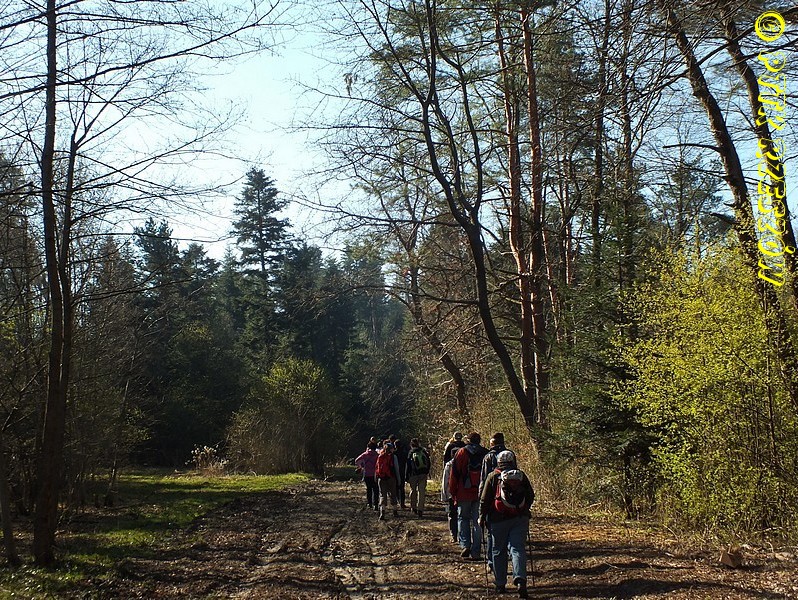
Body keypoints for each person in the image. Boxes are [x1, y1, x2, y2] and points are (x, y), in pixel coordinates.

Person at [479, 450, 534, 598]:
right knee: (517, 548)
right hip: (520, 518)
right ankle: (520, 579)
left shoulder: (493, 476)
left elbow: (484, 499)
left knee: (498, 551)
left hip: (498, 520)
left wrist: (482, 516)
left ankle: (500, 583)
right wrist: (524, 509)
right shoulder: (521, 475)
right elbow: (530, 495)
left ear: (498, 462)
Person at [449, 432, 488, 560]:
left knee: (463, 518)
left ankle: (465, 544)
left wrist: (453, 491)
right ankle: (476, 551)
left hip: (463, 491)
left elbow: (454, 474)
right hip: (480, 493)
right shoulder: (485, 453)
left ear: (468, 440)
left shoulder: (461, 452)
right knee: (478, 522)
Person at [480, 432, 509, 573]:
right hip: (508, 499)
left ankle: (492, 562)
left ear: (492, 443)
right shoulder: (509, 455)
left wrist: (481, 499)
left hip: (492, 498)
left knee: (491, 532)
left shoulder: (488, 457)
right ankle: (507, 558)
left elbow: (484, 479)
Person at [375, 441, 401, 520]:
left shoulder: (380, 456)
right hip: (391, 478)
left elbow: (376, 467)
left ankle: (382, 512)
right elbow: (396, 468)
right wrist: (398, 479)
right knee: (393, 494)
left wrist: (376, 478)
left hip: (381, 478)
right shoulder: (393, 457)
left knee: (382, 495)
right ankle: (395, 511)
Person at [405, 438, 431, 517]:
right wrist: (426, 471)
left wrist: (407, 476)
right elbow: (428, 462)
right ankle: (420, 509)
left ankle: (413, 507)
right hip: (423, 474)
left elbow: (408, 465)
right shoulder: (423, 451)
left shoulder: (411, 452)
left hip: (413, 475)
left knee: (413, 490)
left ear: (411, 445)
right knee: (421, 492)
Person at [354, 442, 379, 511]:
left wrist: (361, 467)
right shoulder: (377, 455)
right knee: (376, 489)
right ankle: (376, 504)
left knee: (369, 489)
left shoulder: (365, 454)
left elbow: (356, 460)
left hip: (367, 474)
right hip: (375, 475)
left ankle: (369, 503)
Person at [389, 434, 409, 508]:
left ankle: (397, 500)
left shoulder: (393, 454)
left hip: (394, 472)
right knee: (402, 488)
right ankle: (402, 503)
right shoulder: (404, 453)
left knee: (395, 487)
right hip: (402, 471)